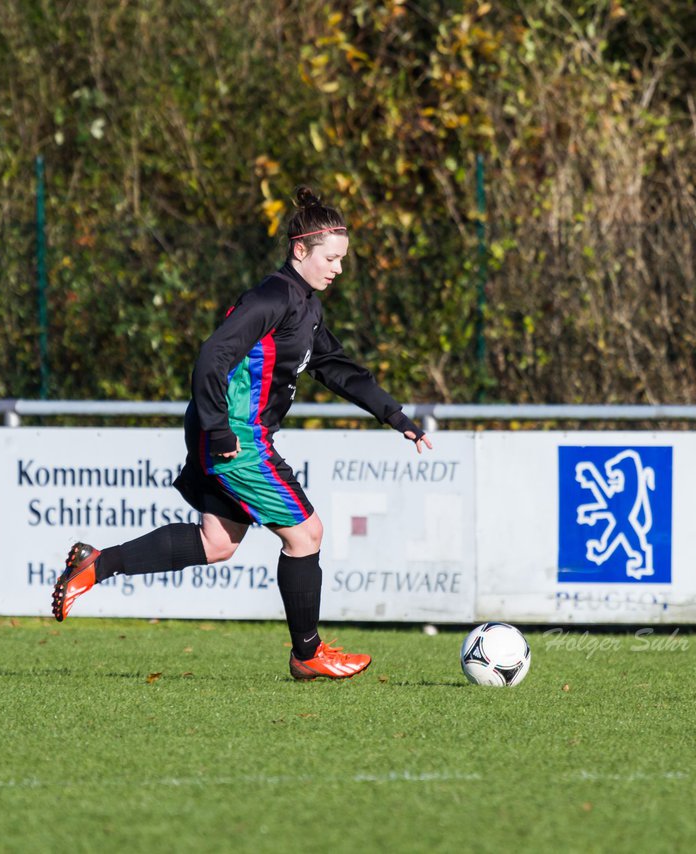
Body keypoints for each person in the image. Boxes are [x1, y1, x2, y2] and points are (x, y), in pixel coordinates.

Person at [52, 186, 433, 681]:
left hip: (230, 433)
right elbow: (213, 356)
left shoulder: (306, 306)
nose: (338, 268)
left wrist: (395, 416)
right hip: (237, 436)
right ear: (301, 250)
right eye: (331, 258)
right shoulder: (271, 298)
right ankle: (307, 653)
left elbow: (337, 368)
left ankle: (96, 564)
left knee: (217, 543)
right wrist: (217, 430)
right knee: (306, 535)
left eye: (342, 259)